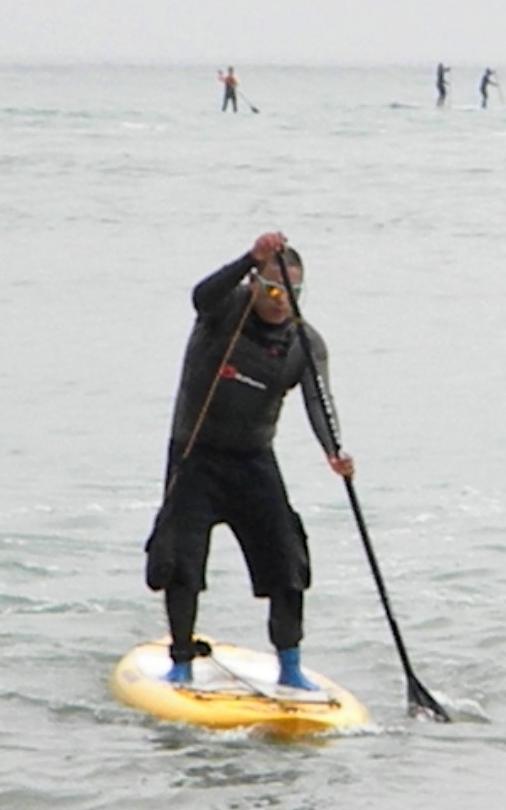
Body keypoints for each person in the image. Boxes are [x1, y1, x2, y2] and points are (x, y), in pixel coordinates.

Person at [145, 232, 355, 689]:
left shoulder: (304, 341)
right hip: (195, 456)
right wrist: (248, 258)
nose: (282, 302)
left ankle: (292, 667)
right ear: (256, 283)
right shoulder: (224, 312)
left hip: (253, 460)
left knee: (287, 560)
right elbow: (200, 296)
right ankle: (180, 661)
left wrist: (334, 451)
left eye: (292, 293)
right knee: (180, 560)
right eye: (274, 290)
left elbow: (320, 402)